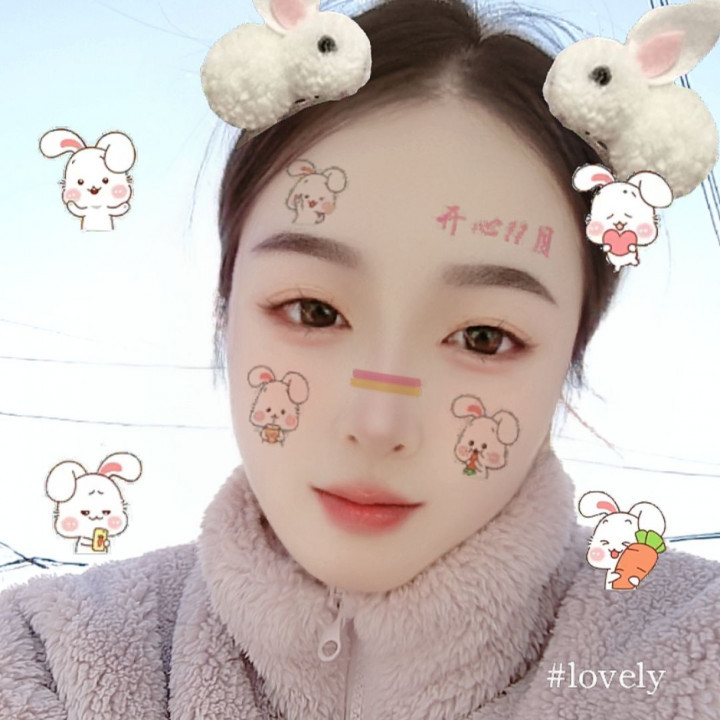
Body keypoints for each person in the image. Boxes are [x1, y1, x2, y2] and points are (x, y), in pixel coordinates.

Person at [2, 0, 719, 717]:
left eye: (484, 337)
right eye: (314, 311)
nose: (378, 424)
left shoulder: (690, 648)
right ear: (226, 308)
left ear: (570, 354)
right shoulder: (50, 653)